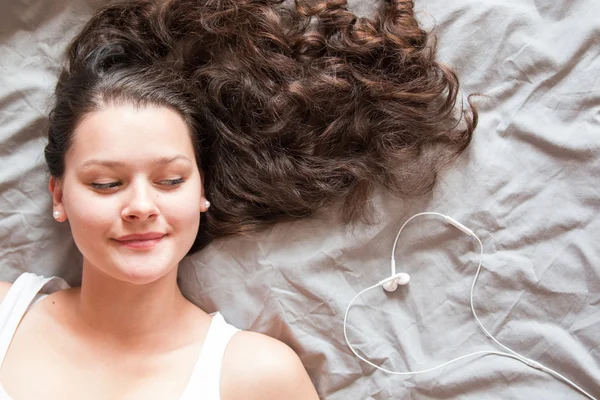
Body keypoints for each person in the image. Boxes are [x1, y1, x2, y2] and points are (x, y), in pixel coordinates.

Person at [0, 0, 476, 399]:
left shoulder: (257, 376)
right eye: (106, 184)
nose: (141, 206)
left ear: (201, 192)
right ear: (58, 196)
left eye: (170, 181)